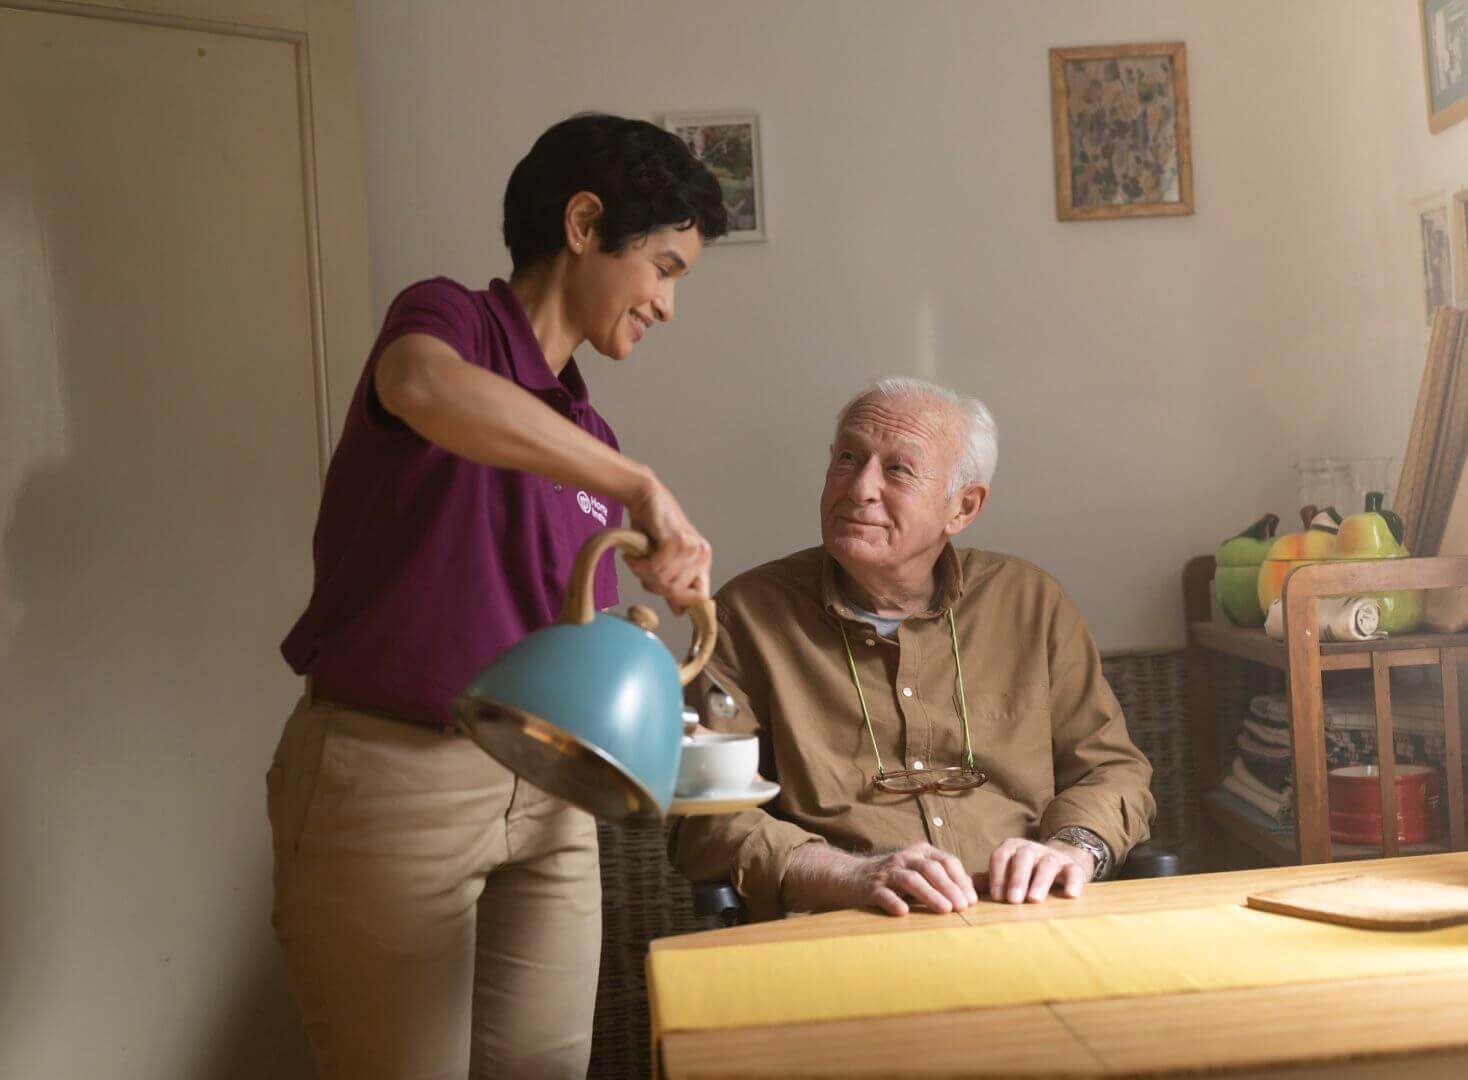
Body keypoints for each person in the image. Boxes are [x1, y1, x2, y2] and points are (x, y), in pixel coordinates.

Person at [268, 113, 727, 1078]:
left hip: (552, 790)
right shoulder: (448, 321)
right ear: (584, 224)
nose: (668, 305)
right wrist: (639, 485)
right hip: (397, 777)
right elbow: (422, 388)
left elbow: (548, 637)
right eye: (664, 268)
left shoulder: (585, 429)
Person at [669, 376, 1154, 922]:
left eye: (898, 469)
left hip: (1026, 912)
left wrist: (1072, 848)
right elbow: (703, 819)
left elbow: (1111, 770)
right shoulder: (746, 616)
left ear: (962, 508)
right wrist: (846, 875)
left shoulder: (1030, 603)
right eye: (848, 458)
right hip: (850, 925)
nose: (860, 488)